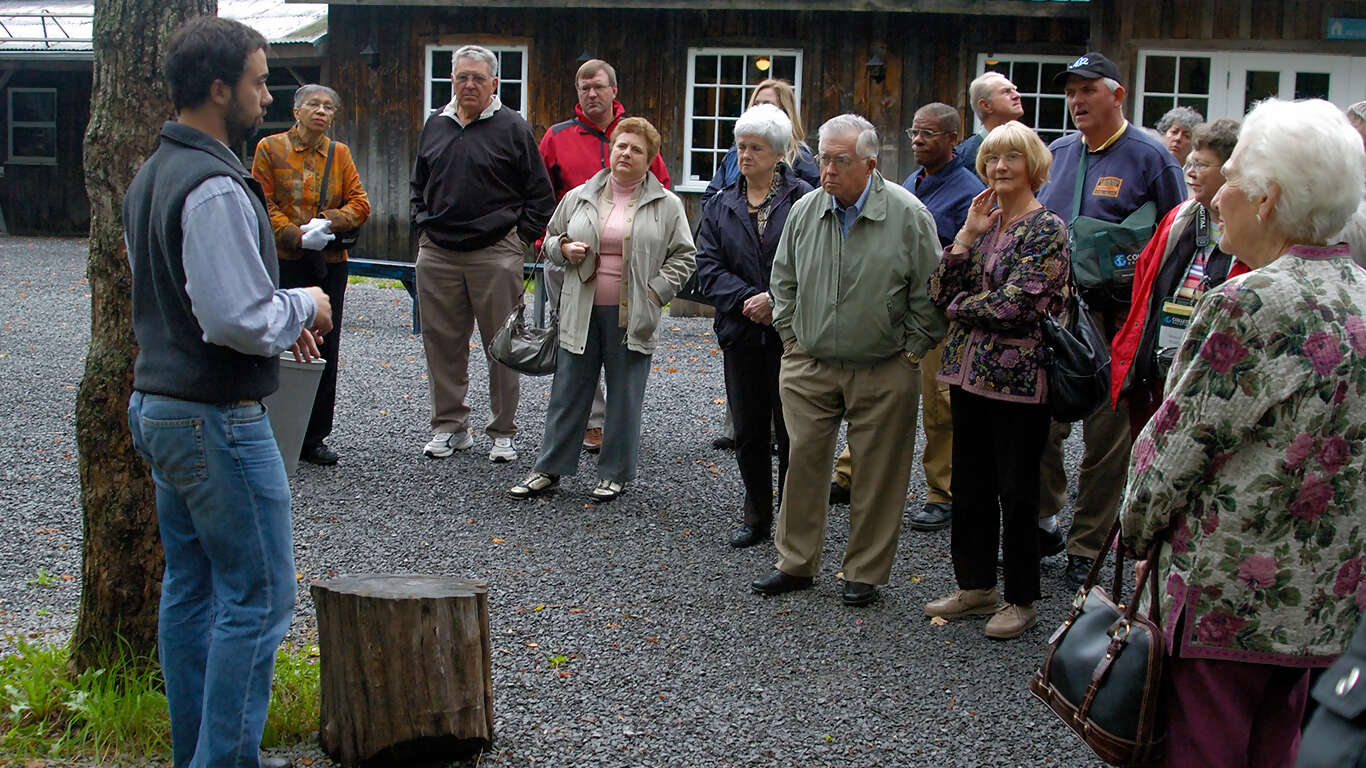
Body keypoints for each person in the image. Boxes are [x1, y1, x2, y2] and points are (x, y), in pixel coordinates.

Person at [1120, 97, 1366, 768]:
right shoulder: (1362, 295)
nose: (1216, 194)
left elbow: (1170, 454)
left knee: (1202, 749)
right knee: (1275, 748)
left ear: (1268, 199)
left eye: (1231, 178)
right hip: (1322, 602)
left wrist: (1136, 535)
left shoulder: (1249, 302)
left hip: (1224, 599)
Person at [123, 17, 332, 768]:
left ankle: (202, 756)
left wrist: (275, 320)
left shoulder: (154, 173)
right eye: (256, 79)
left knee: (193, 589)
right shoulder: (212, 183)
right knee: (259, 596)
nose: (267, 92)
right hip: (213, 420)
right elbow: (233, 318)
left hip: (163, 409)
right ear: (218, 89)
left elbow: (187, 299)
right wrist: (304, 305)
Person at [749, 114, 946, 607]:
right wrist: (792, 340)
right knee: (804, 465)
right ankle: (795, 563)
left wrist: (911, 351)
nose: (828, 170)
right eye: (823, 158)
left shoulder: (908, 214)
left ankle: (865, 572)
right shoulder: (806, 210)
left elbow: (932, 292)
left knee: (879, 472)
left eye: (841, 160)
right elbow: (784, 281)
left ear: (870, 164)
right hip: (809, 364)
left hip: (883, 367)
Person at [1037, 51, 1186, 591]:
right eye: (1071, 92)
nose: (1076, 101)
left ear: (1117, 95)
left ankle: (1088, 546)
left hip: (1117, 321)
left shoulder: (1151, 157)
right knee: (1043, 425)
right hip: (1056, 319)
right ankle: (1043, 521)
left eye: (1088, 90)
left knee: (1106, 439)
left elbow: (1179, 240)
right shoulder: (1055, 154)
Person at [924, 122, 1069, 639]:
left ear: (1033, 165)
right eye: (992, 158)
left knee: (1017, 490)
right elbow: (939, 287)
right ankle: (977, 585)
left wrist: (960, 307)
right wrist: (965, 235)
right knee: (969, 485)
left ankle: (1021, 598)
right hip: (967, 375)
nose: (1000, 167)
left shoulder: (1046, 228)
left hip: (1017, 382)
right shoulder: (987, 223)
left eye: (1012, 158)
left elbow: (1022, 303)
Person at [509, 117, 696, 502]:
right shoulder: (579, 196)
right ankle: (549, 468)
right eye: (621, 146)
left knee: (625, 396)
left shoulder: (667, 204)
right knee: (568, 391)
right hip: (581, 310)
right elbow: (549, 240)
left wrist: (655, 291)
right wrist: (563, 249)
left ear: (650, 160)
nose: (626, 153)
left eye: (637, 149)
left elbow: (685, 256)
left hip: (631, 316)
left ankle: (614, 473)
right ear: (611, 150)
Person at [830, 102, 985, 533]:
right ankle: (849, 473)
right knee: (872, 396)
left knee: (938, 406)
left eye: (929, 133)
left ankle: (942, 491)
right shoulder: (912, 182)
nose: (918, 140)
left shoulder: (968, 190)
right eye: (915, 132)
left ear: (954, 139)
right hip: (895, 305)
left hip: (941, 312)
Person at [411, 45, 555, 463]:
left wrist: (516, 241)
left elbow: (540, 195)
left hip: (495, 253)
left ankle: (503, 431)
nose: (469, 84)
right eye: (462, 77)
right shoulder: (434, 125)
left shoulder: (512, 127)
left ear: (495, 82)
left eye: (478, 77)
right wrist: (422, 224)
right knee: (441, 344)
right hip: (437, 251)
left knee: (502, 344)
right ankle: (450, 426)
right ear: (451, 80)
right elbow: (418, 183)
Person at [695, 104, 813, 548]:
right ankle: (756, 514)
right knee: (748, 429)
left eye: (756, 148)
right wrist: (749, 300)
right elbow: (707, 265)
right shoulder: (720, 203)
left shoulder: (805, 199)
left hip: (792, 335)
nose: (745, 155)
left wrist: (777, 302)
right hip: (741, 334)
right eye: (741, 146)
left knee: (792, 431)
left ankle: (792, 517)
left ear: (779, 153)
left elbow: (814, 264)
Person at [539, 59, 672, 454]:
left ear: (614, 90)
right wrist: (550, 244)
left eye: (597, 86)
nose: (591, 94)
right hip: (571, 260)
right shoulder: (557, 136)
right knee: (574, 344)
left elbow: (661, 192)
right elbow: (540, 194)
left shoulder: (634, 134)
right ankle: (591, 422)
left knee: (622, 347)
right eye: (583, 88)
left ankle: (618, 431)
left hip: (629, 269)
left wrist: (656, 279)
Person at [252, 83, 370, 467]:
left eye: (328, 107)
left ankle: (314, 435)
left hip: (329, 264)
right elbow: (261, 200)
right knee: (277, 336)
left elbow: (360, 203)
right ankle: (270, 426)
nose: (321, 112)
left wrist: (327, 223)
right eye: (314, 105)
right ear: (297, 111)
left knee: (324, 345)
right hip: (284, 259)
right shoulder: (270, 149)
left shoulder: (340, 154)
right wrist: (292, 233)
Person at [1110, 118, 1242, 437]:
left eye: (1202, 164)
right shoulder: (1180, 217)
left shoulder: (1252, 229)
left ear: (1230, 170)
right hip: (1161, 363)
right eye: (1191, 163)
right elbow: (1145, 286)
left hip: (1216, 368)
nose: (1191, 172)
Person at [701, 78, 820, 206]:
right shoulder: (734, 154)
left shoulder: (799, 155)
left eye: (768, 104)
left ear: (785, 111)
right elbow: (709, 199)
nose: (761, 109)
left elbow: (814, 204)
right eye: (756, 104)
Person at [954, 71, 1024, 168]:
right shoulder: (963, 159)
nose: (1017, 95)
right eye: (1006, 91)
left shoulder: (1033, 150)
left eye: (1015, 90)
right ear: (986, 105)